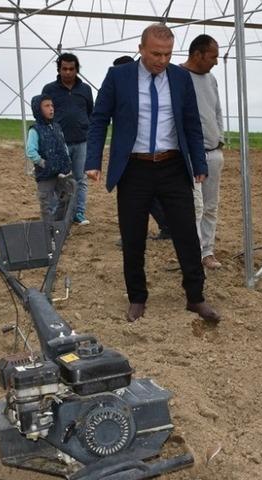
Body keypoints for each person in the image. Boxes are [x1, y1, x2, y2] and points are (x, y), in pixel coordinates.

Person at [86, 23, 221, 324]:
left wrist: (198, 164)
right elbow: (99, 119)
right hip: (134, 168)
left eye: (168, 54)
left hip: (173, 167)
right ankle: (137, 297)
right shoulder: (118, 77)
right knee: (133, 236)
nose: (162, 60)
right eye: (156, 54)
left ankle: (195, 297)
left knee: (186, 233)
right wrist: (93, 161)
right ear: (141, 49)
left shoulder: (180, 78)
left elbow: (192, 124)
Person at [112, 54, 170, 242]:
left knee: (134, 196)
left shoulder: (138, 92)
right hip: (137, 154)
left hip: (137, 155)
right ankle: (165, 225)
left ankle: (133, 234)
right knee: (148, 195)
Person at [180, 34, 225, 269]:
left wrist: (220, 137)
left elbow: (217, 110)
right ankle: (193, 254)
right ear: (197, 54)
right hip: (188, 155)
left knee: (210, 205)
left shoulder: (211, 79)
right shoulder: (178, 76)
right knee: (194, 206)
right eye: (213, 56)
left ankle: (207, 252)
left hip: (213, 152)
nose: (216, 61)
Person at [41, 53, 93, 225]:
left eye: (72, 69)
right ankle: (59, 216)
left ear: (77, 69)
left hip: (81, 140)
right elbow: (44, 113)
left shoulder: (85, 89)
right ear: (59, 69)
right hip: (58, 142)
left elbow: (90, 112)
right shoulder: (49, 90)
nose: (68, 72)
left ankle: (79, 213)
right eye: (64, 69)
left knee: (80, 178)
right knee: (58, 180)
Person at [26, 94, 73, 221]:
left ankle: (59, 224)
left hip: (61, 173)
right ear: (38, 109)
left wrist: (67, 162)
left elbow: (63, 145)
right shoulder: (35, 130)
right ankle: (48, 229)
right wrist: (44, 164)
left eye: (52, 105)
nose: (51, 108)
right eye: (47, 106)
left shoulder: (56, 127)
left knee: (66, 197)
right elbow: (30, 151)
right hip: (45, 175)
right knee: (46, 202)